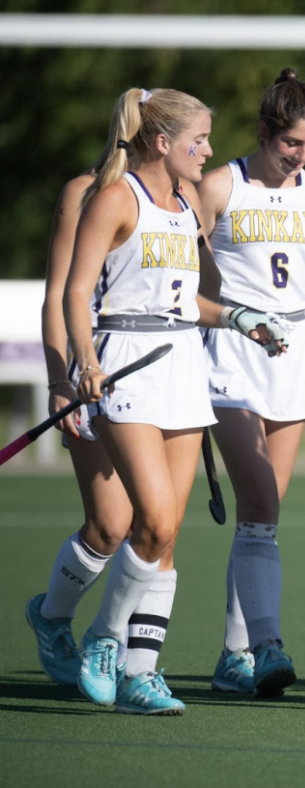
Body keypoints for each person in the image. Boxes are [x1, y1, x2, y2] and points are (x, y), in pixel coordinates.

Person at [63, 87, 286, 715]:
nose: (210, 151)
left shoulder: (185, 205)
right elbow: (77, 294)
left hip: (184, 364)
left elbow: (186, 300)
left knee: (166, 537)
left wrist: (242, 319)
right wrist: (84, 361)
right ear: (163, 142)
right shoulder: (115, 197)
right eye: (201, 141)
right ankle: (104, 638)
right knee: (153, 519)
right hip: (128, 365)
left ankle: (141, 673)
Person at [197, 68, 305, 698]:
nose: (300, 158)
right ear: (264, 132)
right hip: (231, 352)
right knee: (260, 504)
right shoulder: (219, 185)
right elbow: (189, 277)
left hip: (295, 354)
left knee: (262, 519)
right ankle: (266, 644)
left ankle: (235, 655)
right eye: (290, 145)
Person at [25, 146, 139, 692]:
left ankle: (131, 657)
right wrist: (58, 378)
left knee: (157, 525)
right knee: (111, 525)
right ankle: (51, 615)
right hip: (93, 372)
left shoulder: (181, 196)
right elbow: (59, 294)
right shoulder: (86, 192)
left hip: (158, 376)